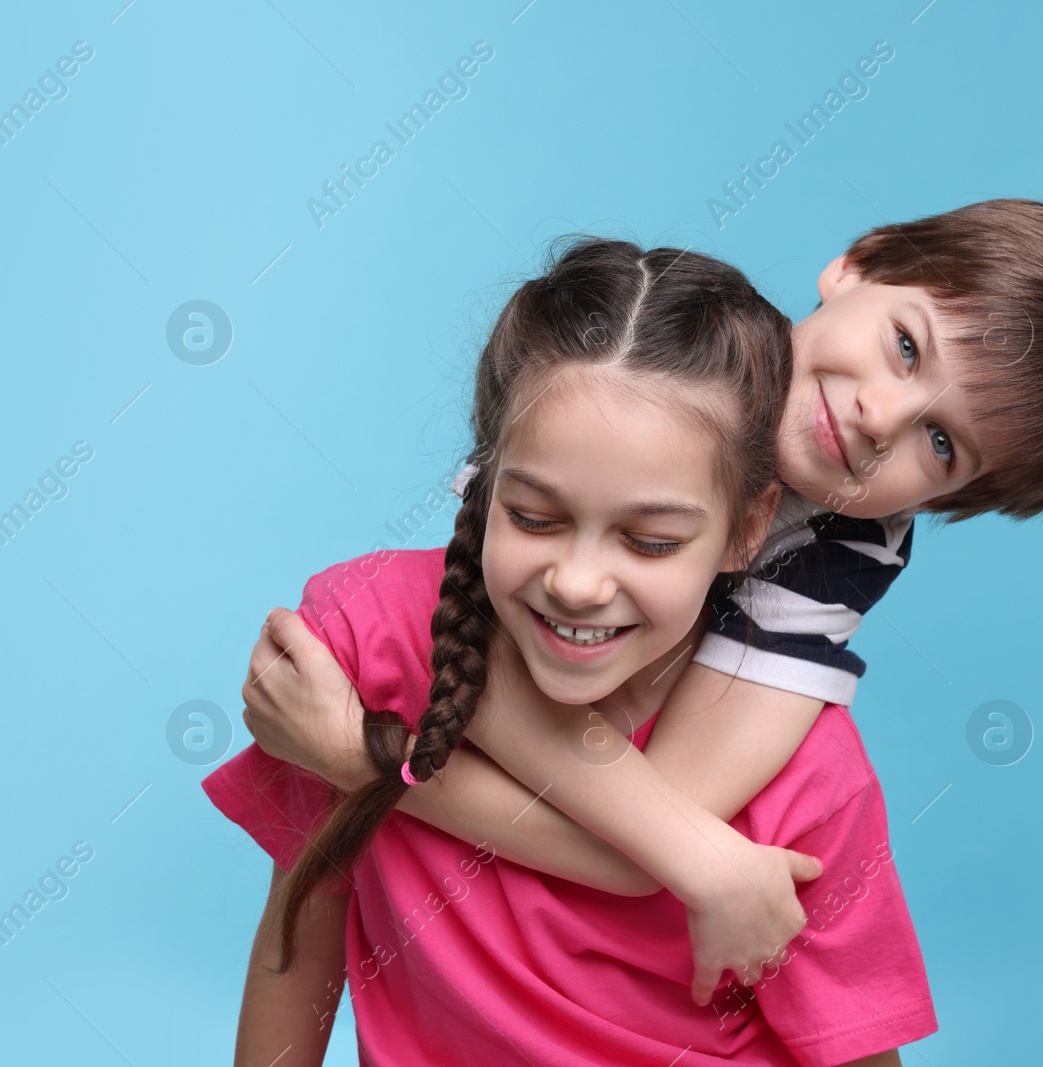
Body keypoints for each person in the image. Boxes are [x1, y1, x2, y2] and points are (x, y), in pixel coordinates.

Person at [206, 237, 933, 1065]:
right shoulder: (360, 646)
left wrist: (365, 760)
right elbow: (297, 950)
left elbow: (854, 1047)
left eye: (651, 541)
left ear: (748, 528)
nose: (580, 583)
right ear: (484, 482)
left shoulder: (806, 775)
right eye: (537, 518)